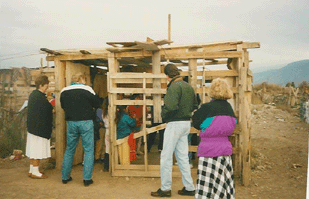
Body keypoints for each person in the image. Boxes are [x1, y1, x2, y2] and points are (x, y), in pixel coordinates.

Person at [151, 64, 198, 197]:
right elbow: (195, 104)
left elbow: (170, 106)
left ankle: (165, 188)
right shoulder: (188, 86)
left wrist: (164, 114)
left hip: (175, 123)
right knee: (182, 156)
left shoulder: (173, 86)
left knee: (166, 156)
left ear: (167, 75)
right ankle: (189, 187)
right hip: (186, 123)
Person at [192, 78, 236, 199]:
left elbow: (195, 123)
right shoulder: (230, 109)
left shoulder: (206, 108)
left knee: (207, 185)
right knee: (222, 183)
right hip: (224, 152)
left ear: (211, 91)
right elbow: (232, 126)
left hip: (208, 151)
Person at [60, 72, 102, 187]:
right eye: (85, 79)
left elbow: (63, 106)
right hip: (86, 122)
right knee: (88, 150)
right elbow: (97, 103)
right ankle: (87, 179)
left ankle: (65, 177)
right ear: (82, 79)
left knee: (69, 149)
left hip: (71, 123)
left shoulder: (64, 91)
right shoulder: (88, 89)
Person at [26, 75, 53, 179]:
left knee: (32, 150)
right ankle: (36, 172)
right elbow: (47, 109)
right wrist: (51, 104)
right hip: (39, 129)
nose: (47, 87)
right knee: (37, 150)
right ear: (41, 85)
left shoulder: (34, 95)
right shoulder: (40, 97)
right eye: (46, 85)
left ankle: (32, 169)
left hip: (32, 128)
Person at [102, 97, 110, 172]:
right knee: (113, 147)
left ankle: (106, 166)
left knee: (107, 149)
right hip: (112, 130)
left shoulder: (103, 111)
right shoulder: (112, 110)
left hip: (106, 130)